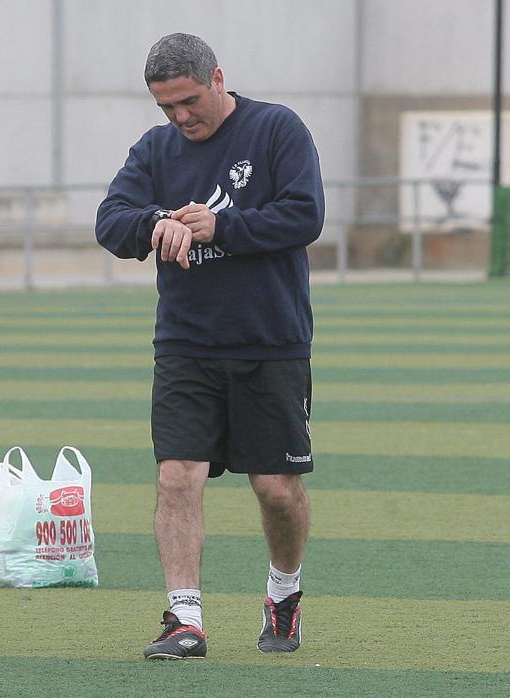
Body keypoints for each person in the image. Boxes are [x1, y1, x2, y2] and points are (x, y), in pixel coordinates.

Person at [95, 33, 324, 660]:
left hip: (271, 341)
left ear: (217, 78)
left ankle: (283, 597)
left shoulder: (277, 130)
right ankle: (184, 620)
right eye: (167, 107)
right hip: (186, 345)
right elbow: (110, 219)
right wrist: (155, 222)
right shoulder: (156, 149)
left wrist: (224, 225)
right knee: (177, 477)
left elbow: (306, 215)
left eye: (189, 102)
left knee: (276, 488)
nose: (180, 118)